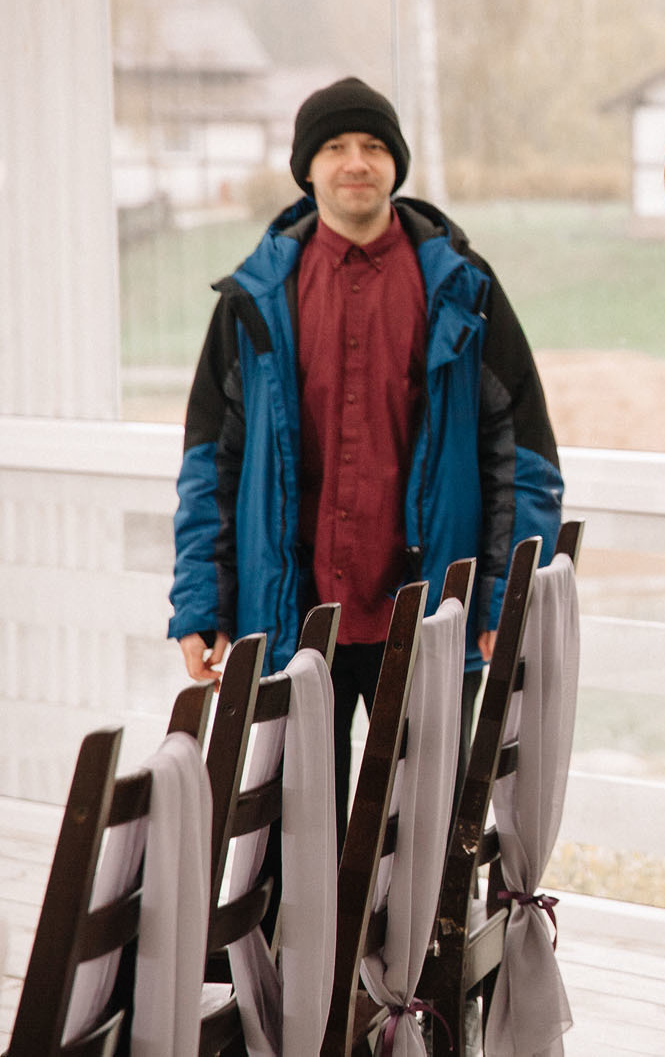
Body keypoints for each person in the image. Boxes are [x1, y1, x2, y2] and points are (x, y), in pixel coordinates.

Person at [168, 76, 564, 827]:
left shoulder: (465, 290)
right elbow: (208, 468)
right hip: (288, 621)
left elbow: (524, 456)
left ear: (397, 165)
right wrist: (199, 603)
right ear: (306, 168)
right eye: (337, 147)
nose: (357, 161)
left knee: (422, 851)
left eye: (375, 146)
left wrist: (503, 603)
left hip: (427, 620)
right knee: (286, 852)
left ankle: (411, 955)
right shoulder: (252, 300)